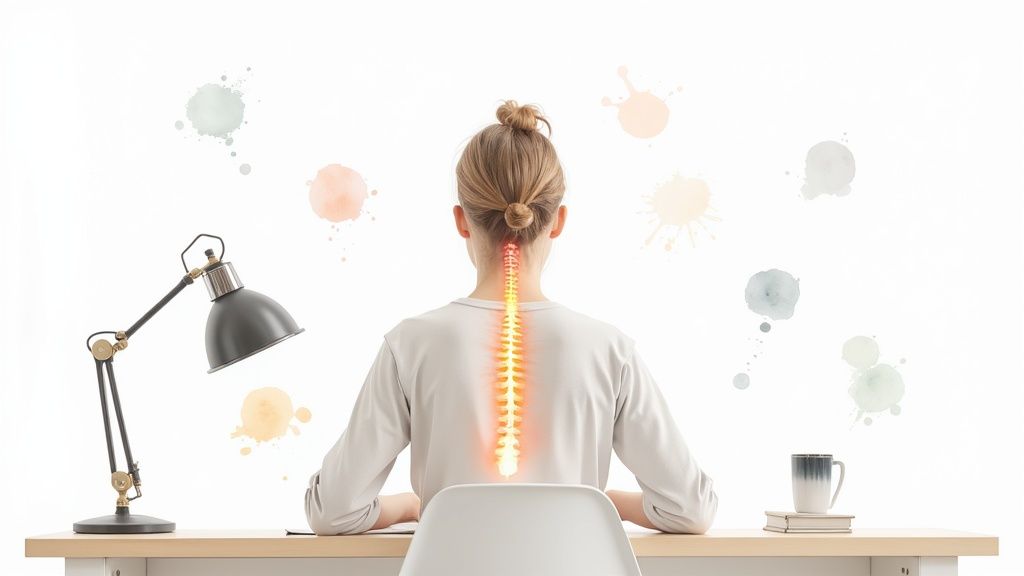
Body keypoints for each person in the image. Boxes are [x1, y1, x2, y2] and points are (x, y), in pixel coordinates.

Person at [305, 100, 718, 535]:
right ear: (557, 221)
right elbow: (690, 510)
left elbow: (333, 511)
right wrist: (601, 502)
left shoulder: (410, 345)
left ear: (462, 221)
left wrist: (414, 505)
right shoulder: (609, 350)